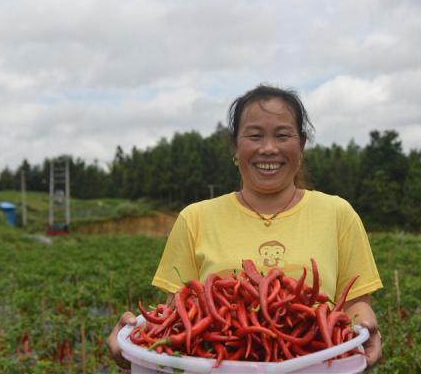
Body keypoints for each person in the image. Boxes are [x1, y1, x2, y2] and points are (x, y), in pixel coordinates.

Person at [107, 84, 383, 370]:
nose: (268, 148)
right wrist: (136, 346)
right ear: (235, 145)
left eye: (282, 135)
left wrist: (366, 328)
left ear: (300, 144)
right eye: (254, 135)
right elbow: (178, 316)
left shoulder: (338, 214)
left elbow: (355, 307)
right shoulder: (195, 218)